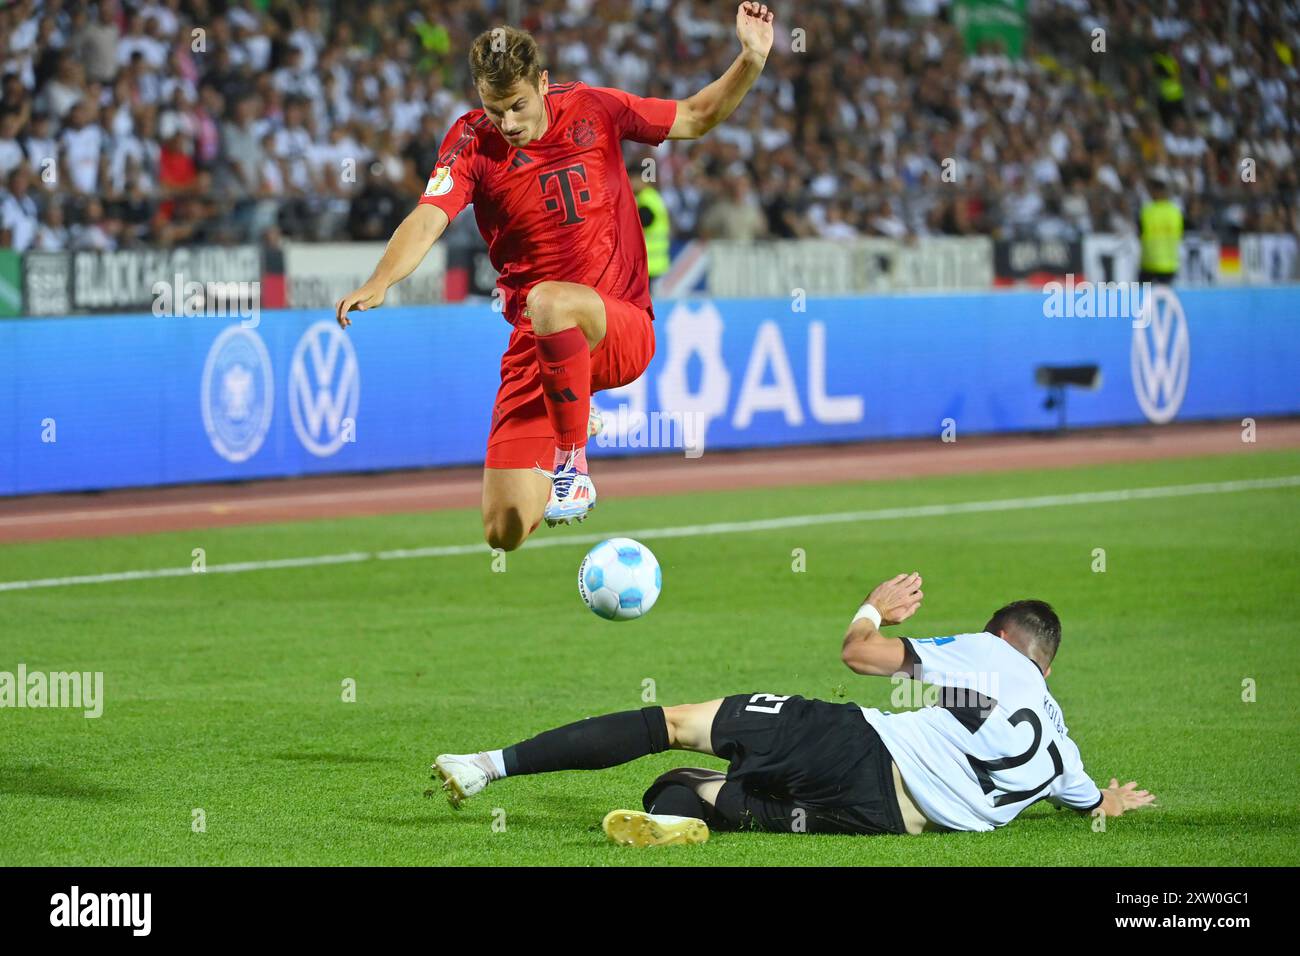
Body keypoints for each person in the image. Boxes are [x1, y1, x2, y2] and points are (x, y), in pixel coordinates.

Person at [335, 4, 776, 548]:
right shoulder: (471, 141)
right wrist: (382, 278)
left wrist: (751, 59)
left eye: (518, 105)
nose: (509, 122)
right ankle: (572, 406)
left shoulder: (594, 108)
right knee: (504, 530)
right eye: (494, 109)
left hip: (618, 326)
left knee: (549, 301)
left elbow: (694, 116)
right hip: (537, 343)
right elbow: (429, 217)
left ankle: (574, 467)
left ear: (543, 83)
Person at [431, 573, 1156, 847]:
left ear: (1004, 638)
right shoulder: (1065, 750)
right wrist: (1112, 801)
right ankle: (692, 814)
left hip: (861, 747)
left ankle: (485, 767)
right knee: (683, 785)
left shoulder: (988, 655)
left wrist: (876, 605)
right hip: (886, 819)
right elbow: (1089, 805)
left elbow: (860, 655)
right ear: (1049, 665)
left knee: (675, 723)